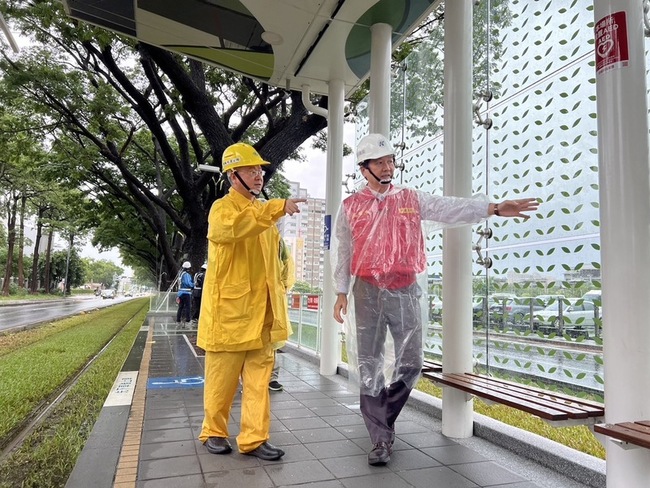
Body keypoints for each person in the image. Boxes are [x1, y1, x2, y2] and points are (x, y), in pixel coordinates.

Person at [333, 133, 539, 467]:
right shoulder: (350, 207)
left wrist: (495, 208)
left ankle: (380, 414)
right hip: (366, 290)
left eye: (390, 161)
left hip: (405, 288)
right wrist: (341, 292)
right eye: (380, 162)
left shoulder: (411, 199)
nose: (388, 168)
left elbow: (450, 207)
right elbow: (343, 252)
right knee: (369, 365)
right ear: (364, 168)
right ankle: (381, 439)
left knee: (412, 362)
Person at [197, 142, 305, 461]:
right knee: (221, 382)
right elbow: (234, 230)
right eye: (251, 170)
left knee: (259, 382)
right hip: (229, 315)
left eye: (260, 169)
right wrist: (276, 209)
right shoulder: (222, 210)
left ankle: (255, 439)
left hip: (262, 316)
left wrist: (284, 286)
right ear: (233, 176)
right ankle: (214, 432)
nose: (259, 175)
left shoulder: (263, 213)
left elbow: (279, 258)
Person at [176, 261, 193, 327]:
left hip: (180, 293)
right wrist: (194, 285)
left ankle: (178, 321)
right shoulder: (186, 275)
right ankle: (188, 321)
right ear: (188, 268)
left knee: (180, 307)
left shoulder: (181, 274)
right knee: (188, 307)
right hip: (186, 293)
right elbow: (188, 283)